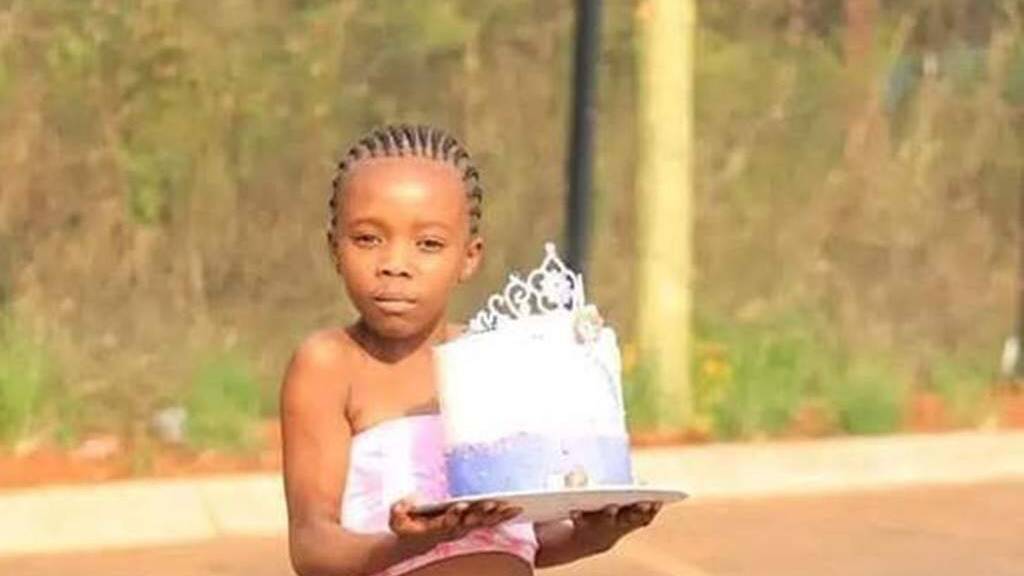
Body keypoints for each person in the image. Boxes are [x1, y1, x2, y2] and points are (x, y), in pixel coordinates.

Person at [280, 124, 661, 576]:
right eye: (368, 238)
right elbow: (312, 547)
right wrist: (411, 544)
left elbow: (521, 538)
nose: (395, 265)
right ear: (334, 248)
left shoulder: (494, 360)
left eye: (428, 244)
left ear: (469, 256)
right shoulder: (329, 365)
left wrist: (593, 536)